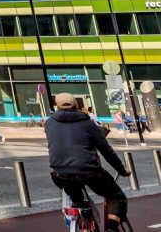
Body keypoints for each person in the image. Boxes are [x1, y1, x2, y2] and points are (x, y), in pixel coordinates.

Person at [47, 92, 129, 231]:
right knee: (116, 197)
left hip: (59, 174)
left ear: (57, 106)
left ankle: (82, 217)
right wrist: (121, 169)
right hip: (89, 172)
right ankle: (111, 228)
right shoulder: (87, 123)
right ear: (77, 105)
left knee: (78, 201)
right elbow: (106, 150)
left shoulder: (49, 123)